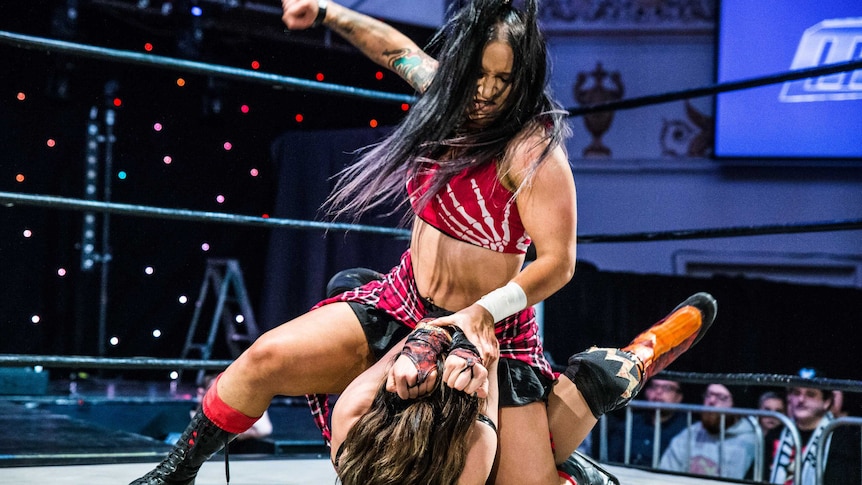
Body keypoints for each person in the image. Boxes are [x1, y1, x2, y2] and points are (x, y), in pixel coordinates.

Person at [129, 0, 717, 482]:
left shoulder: (533, 151)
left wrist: (480, 316)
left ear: (525, 80)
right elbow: (391, 48)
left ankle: (599, 393)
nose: (486, 91)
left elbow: (559, 265)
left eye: (504, 80)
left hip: (488, 329)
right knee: (263, 359)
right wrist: (329, 12)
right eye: (478, 74)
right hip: (403, 300)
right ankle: (176, 471)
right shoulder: (445, 97)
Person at [763, 369, 861, 484]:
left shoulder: (842, 439)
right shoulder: (775, 434)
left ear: (827, 402)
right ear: (789, 398)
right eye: (796, 393)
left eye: (810, 394)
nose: (801, 400)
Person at [659, 383, 757, 479]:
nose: (711, 401)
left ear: (734, 405)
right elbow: (665, 475)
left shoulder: (748, 440)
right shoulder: (690, 433)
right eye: (708, 395)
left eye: (721, 397)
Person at [606, 378, 688, 467]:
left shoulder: (687, 430)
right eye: (654, 386)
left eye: (667, 388)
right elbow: (612, 459)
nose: (658, 392)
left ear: (679, 397)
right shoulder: (630, 423)